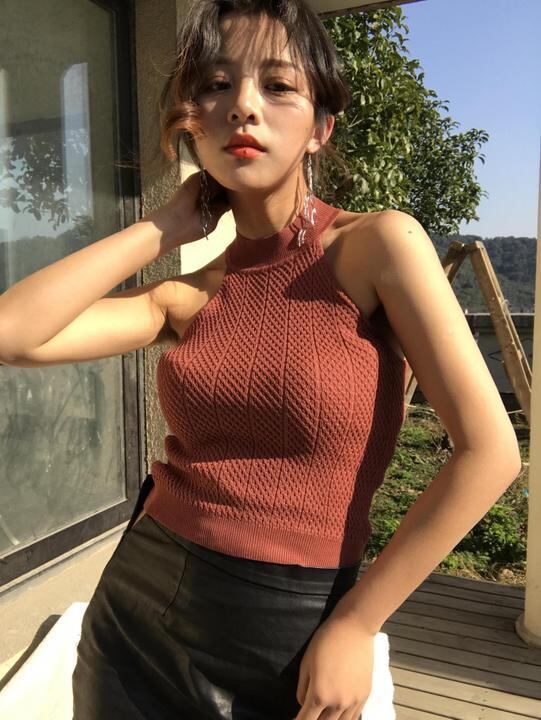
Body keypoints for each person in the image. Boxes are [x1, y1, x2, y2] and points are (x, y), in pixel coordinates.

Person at [0, 0, 521, 718]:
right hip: (135, 615)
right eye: (216, 85)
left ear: (321, 127)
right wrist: (165, 225)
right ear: (192, 122)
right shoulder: (191, 294)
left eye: (278, 86)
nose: (243, 106)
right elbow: (13, 334)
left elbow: (490, 453)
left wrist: (357, 622)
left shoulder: (375, 247)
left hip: (289, 627)